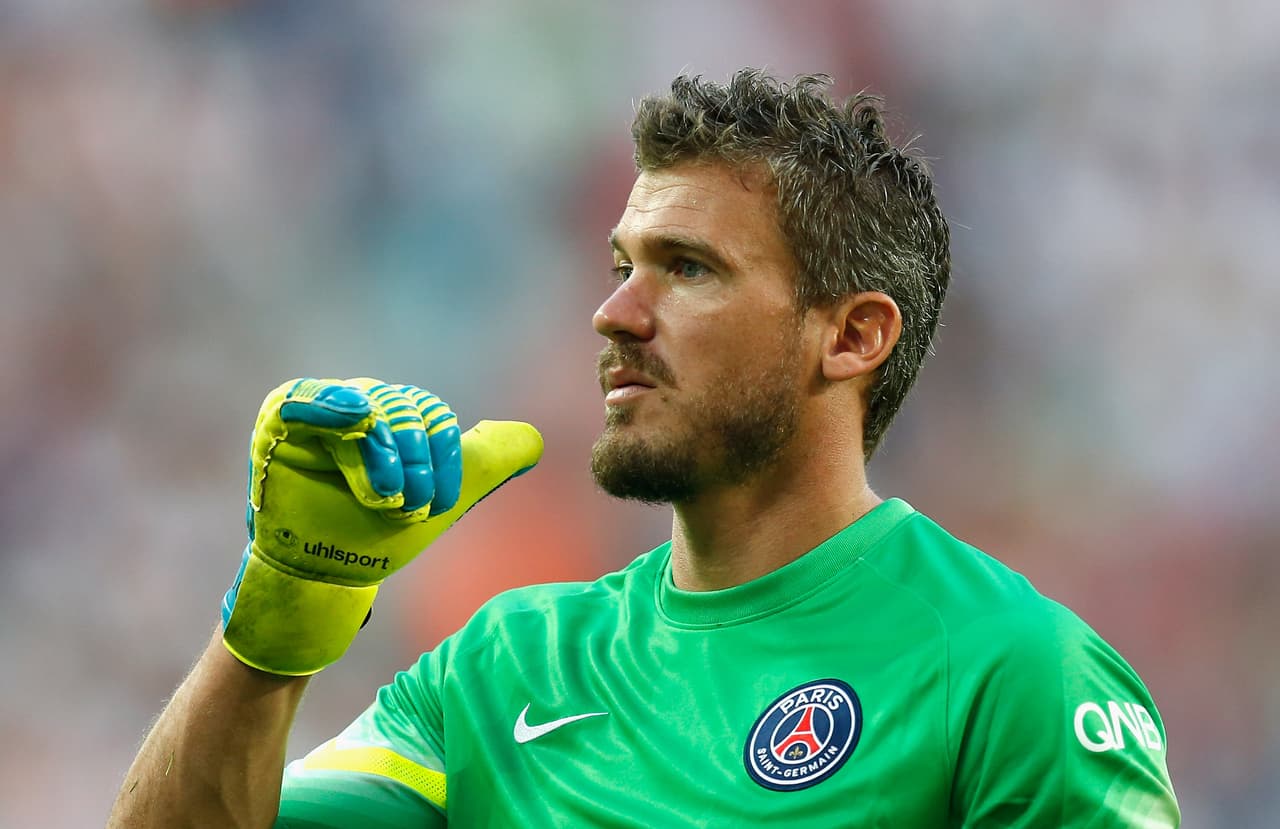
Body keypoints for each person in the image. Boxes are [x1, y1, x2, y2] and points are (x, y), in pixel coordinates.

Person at [108, 69, 1180, 828]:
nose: (614, 313)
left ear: (852, 335)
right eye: (620, 262)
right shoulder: (506, 666)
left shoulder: (1007, 670)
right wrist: (280, 614)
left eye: (688, 268)